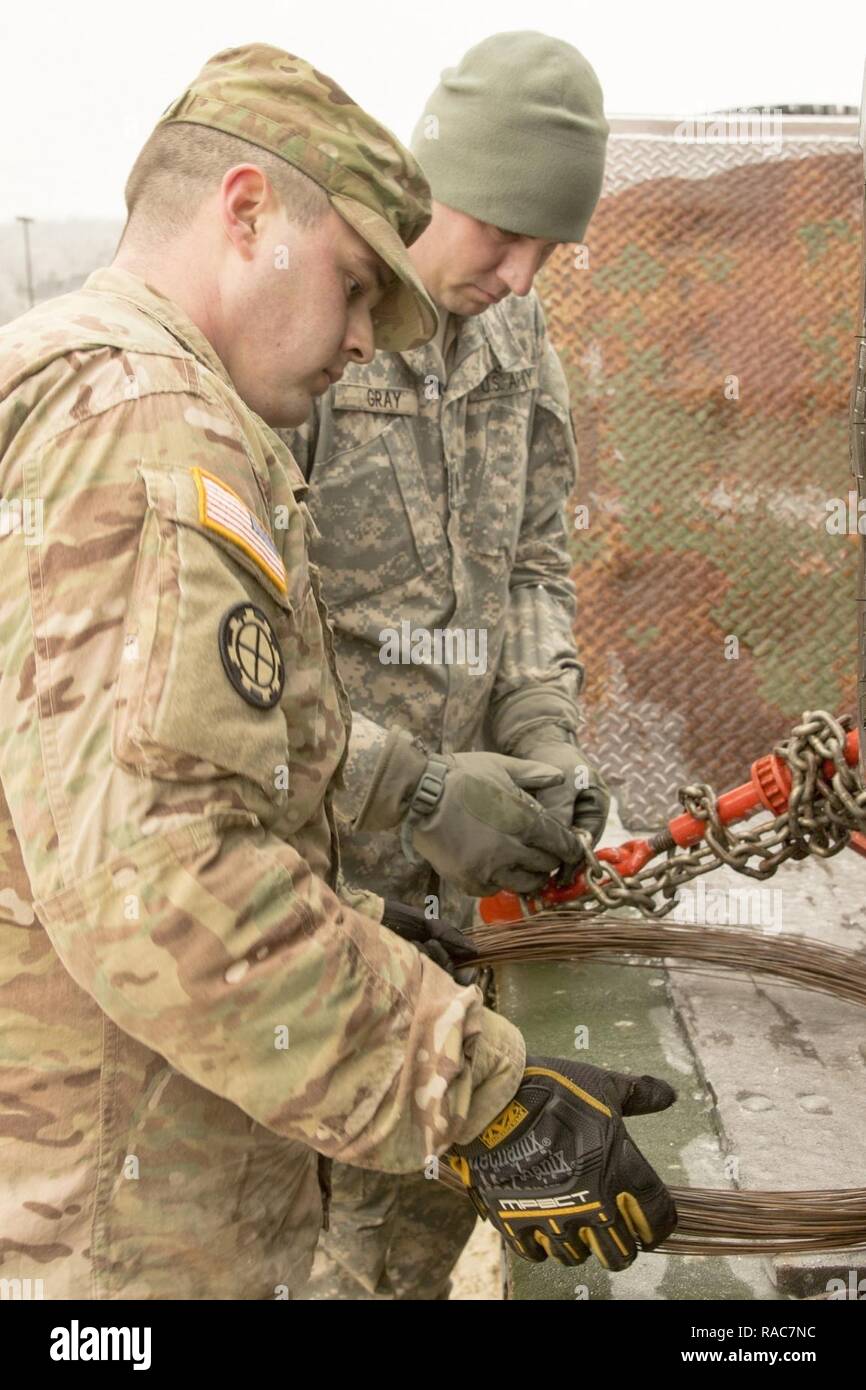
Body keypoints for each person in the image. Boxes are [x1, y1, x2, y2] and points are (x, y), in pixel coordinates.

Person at [0, 41, 674, 1301]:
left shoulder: (158, 394)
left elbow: (177, 779)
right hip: (126, 1193)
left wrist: (529, 744)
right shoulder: (155, 426)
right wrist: (480, 1094)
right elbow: (157, 870)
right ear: (247, 210)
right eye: (359, 287)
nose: (366, 341)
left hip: (287, 992)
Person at [286, 31, 615, 1300]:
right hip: (308, 885)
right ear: (435, 184)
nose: (520, 271)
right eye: (500, 232)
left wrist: (542, 727)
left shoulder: (518, 341)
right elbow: (242, 653)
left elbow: (533, 558)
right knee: (285, 1220)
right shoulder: (316, 332)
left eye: (549, 248)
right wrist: (412, 786)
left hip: (456, 896)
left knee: (416, 1218)